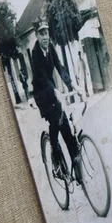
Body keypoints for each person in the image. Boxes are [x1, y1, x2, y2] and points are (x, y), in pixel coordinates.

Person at [30, 21, 80, 182]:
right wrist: (55, 91)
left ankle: (77, 165)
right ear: (37, 36)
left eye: (46, 33)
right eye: (42, 34)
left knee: (64, 122)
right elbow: (42, 77)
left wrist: (73, 85)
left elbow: (60, 67)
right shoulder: (35, 53)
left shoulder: (50, 48)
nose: (45, 37)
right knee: (54, 120)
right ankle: (55, 157)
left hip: (53, 90)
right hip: (42, 93)